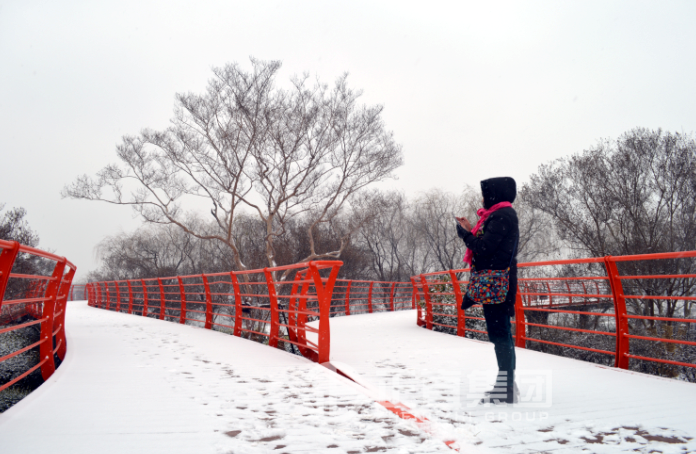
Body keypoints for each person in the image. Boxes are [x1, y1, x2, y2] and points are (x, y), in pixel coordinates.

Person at [455, 177, 519, 404]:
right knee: (502, 333)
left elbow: (483, 248)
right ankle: (508, 384)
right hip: (497, 283)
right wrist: (469, 228)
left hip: (496, 285)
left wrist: (464, 234)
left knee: (499, 334)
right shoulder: (500, 215)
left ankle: (506, 389)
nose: (483, 197)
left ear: (495, 194)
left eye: (485, 193)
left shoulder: (501, 216)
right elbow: (490, 244)